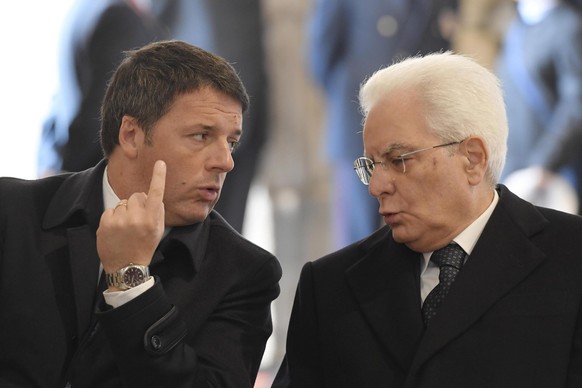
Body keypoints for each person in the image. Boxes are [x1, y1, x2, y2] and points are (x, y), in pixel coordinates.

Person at [272, 52, 582, 387]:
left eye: (398, 159)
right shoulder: (328, 286)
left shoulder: (572, 258)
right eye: (371, 165)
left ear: (472, 159)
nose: (376, 186)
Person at [0, 40, 281, 387]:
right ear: (131, 135)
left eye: (231, 141)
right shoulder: (12, 214)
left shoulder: (244, 272)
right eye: (201, 135)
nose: (226, 161)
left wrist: (131, 282)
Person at [307, 0, 459, 249]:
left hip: (419, 131)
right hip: (357, 124)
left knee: (417, 230)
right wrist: (356, 100)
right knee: (356, 240)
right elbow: (321, 56)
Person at [156, 0, 269, 233]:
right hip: (197, 106)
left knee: (230, 230)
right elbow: (154, 18)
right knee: (190, 229)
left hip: (250, 108)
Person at [37, 0, 166, 177]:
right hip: (96, 179)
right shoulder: (121, 19)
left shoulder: (87, 7)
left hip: (70, 165)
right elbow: (104, 109)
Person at [496, 0, 582, 213]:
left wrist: (544, 162)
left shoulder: (569, 26)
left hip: (549, 173)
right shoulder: (519, 22)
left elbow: (576, 104)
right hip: (514, 164)